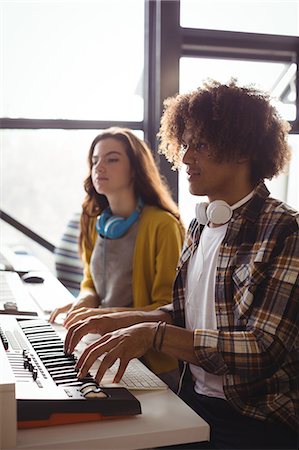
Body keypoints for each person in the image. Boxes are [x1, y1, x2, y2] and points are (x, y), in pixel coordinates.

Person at [64, 81, 298, 450]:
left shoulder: (285, 229)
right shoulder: (202, 222)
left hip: (254, 420)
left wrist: (152, 335)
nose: (186, 159)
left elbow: (263, 348)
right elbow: (191, 313)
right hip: (191, 399)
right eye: (185, 145)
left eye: (200, 145)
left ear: (241, 149)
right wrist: (125, 319)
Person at [50, 127, 184, 381]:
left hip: (151, 363)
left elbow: (168, 308)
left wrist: (98, 316)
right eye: (95, 160)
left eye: (112, 159)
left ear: (135, 169)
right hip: (103, 345)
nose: (99, 167)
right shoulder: (93, 221)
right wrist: (83, 303)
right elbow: (91, 283)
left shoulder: (163, 225)